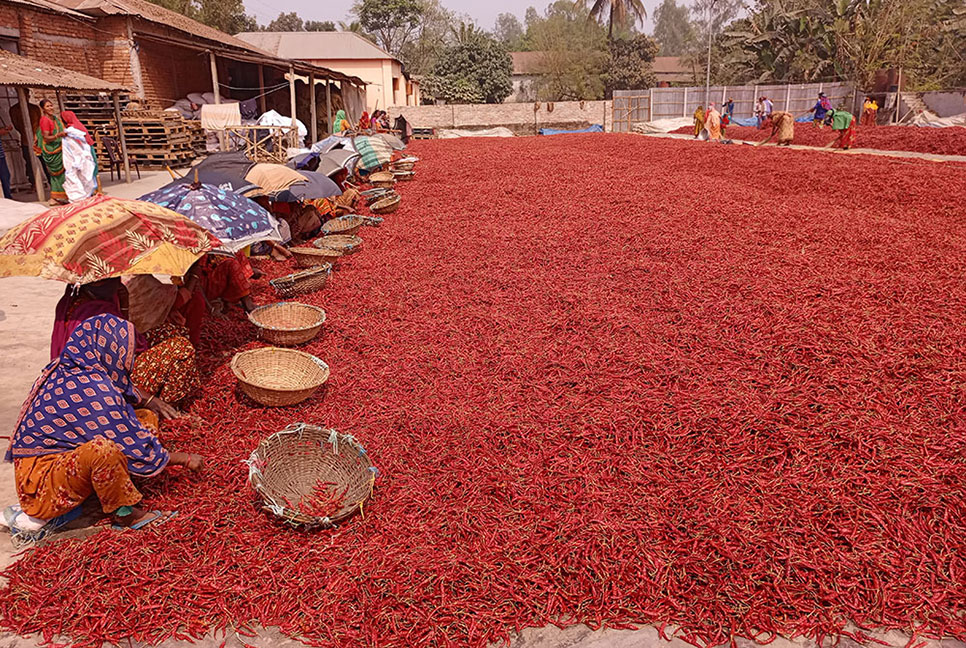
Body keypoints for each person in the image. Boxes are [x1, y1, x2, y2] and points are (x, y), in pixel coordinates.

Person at [5, 314, 202, 533]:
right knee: (104, 451)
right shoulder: (94, 391)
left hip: (60, 461)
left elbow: (126, 393)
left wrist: (149, 400)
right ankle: (127, 515)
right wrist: (184, 459)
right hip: (41, 489)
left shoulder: (72, 366)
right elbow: (128, 446)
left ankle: (111, 487)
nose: (131, 360)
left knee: (144, 417)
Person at [51, 278, 200, 404]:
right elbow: (113, 366)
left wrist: (123, 305)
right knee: (181, 348)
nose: (119, 284)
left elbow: (125, 335)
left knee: (169, 332)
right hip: (102, 388)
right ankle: (167, 407)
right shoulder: (99, 314)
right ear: (99, 283)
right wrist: (148, 400)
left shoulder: (75, 299)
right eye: (115, 280)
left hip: (88, 374)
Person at [9, 92, 46, 190]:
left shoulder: (35, 109)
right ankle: (34, 183)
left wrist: (36, 135)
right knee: (29, 162)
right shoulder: (14, 110)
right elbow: (16, 125)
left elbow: (39, 123)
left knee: (44, 160)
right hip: (25, 139)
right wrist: (26, 134)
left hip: (38, 139)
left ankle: (50, 182)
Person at [36, 99, 67, 204]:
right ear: (43, 109)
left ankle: (65, 194)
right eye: (47, 106)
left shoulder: (55, 119)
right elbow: (46, 137)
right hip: (52, 150)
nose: (50, 108)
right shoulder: (45, 120)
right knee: (57, 175)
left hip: (60, 147)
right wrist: (58, 135)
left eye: (51, 105)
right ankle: (55, 196)